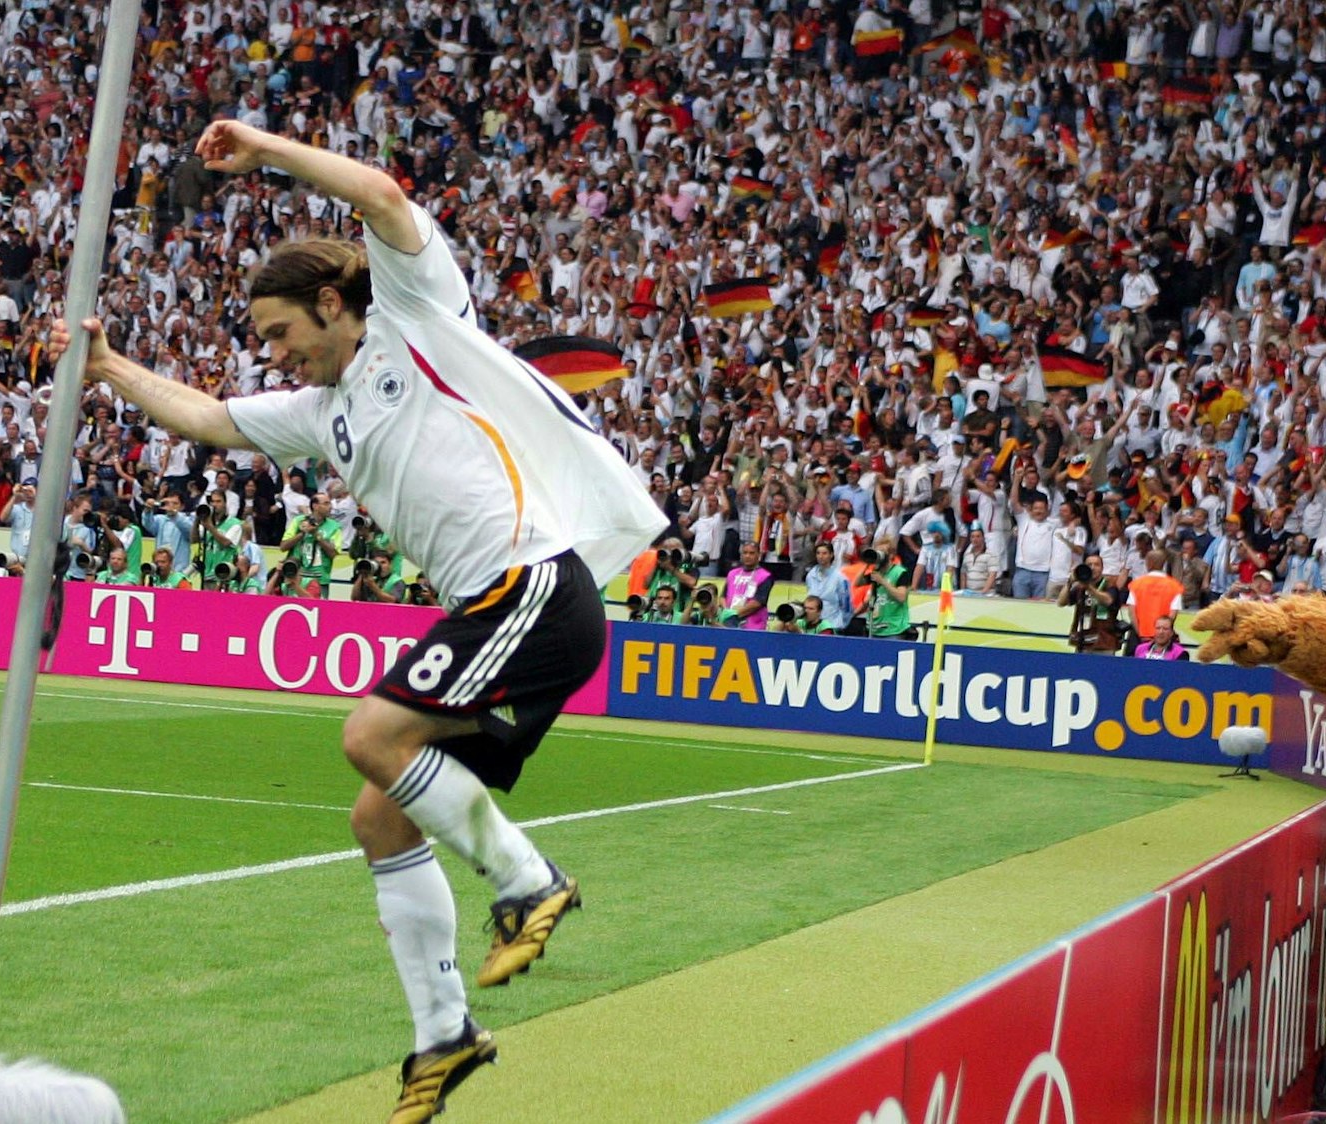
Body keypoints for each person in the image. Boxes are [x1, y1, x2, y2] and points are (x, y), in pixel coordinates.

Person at [49, 118, 664, 1122]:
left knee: (370, 734)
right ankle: (444, 1035)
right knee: (380, 811)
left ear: (333, 302)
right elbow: (209, 417)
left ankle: (526, 875)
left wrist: (262, 148)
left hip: (535, 589)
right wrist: (111, 371)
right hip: (499, 607)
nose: (275, 354)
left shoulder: (415, 318)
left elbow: (379, 193)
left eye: (282, 333)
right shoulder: (321, 409)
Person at [1060, 557, 1122, 653]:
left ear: (1102, 568)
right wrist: (1070, 582)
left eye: (1096, 565)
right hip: (1083, 641)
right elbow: (1061, 602)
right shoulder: (1080, 587)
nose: (1093, 568)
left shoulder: (1109, 584)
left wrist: (1089, 588)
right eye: (1089, 565)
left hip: (1104, 642)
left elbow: (1108, 600)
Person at [802, 540, 853, 634]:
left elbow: (846, 605)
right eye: (818, 553)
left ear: (831, 555)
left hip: (832, 624)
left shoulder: (840, 578)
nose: (821, 556)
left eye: (824, 553)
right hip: (813, 625)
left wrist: (842, 623)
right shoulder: (811, 575)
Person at [722, 540, 775, 630]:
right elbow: (723, 596)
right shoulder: (732, 573)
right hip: (729, 623)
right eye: (745, 553)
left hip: (753, 627)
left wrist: (734, 613)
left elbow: (758, 602)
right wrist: (726, 611)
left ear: (759, 555)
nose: (747, 556)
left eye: (752, 553)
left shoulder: (765, 576)